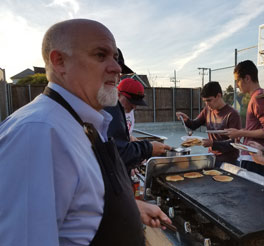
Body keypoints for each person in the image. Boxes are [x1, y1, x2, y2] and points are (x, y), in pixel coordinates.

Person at [0, 19, 171, 246]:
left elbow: (78, 199)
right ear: (59, 61)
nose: (117, 68)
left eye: (115, 58)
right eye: (100, 55)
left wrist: (132, 206)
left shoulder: (81, 121)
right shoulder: (38, 133)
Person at [105, 77, 171, 168]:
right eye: (131, 101)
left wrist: (128, 138)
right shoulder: (109, 112)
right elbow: (118, 153)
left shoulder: (127, 110)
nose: (134, 106)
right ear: (118, 94)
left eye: (136, 103)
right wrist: (148, 148)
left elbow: (119, 139)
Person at [225, 60, 264, 176]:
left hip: (254, 158)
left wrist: (240, 133)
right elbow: (258, 128)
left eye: (238, 80)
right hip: (252, 157)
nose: (237, 85)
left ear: (247, 78)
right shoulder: (256, 96)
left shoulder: (258, 98)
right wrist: (241, 133)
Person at [176, 81, 241, 167]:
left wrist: (213, 144)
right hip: (211, 158)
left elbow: (234, 144)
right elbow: (194, 125)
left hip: (228, 162)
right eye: (205, 101)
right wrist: (186, 120)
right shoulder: (208, 110)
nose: (207, 104)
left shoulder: (232, 114)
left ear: (219, 96)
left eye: (209, 100)